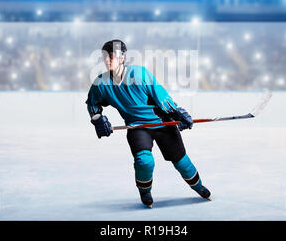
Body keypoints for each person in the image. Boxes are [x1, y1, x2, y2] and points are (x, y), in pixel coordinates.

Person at [86, 39, 211, 208]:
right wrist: (97, 119)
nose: (108, 59)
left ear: (122, 58)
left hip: (162, 123)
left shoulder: (139, 74)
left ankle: (199, 187)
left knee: (181, 161)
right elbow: (92, 104)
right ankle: (145, 192)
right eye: (105, 56)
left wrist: (176, 113)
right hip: (137, 127)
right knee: (144, 161)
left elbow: (161, 95)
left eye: (112, 56)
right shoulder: (100, 83)